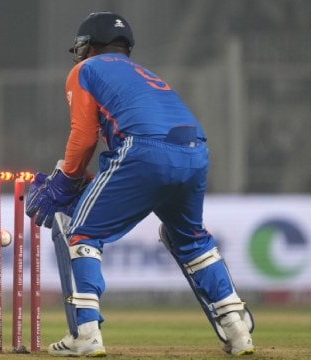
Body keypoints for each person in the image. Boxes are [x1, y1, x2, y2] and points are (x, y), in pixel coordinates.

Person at [26, 11, 255, 357]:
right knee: (192, 241)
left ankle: (86, 332)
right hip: (194, 151)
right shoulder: (144, 73)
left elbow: (84, 136)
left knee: (82, 232)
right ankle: (237, 329)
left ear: (88, 46)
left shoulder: (85, 69)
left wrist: (66, 179)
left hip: (143, 151)